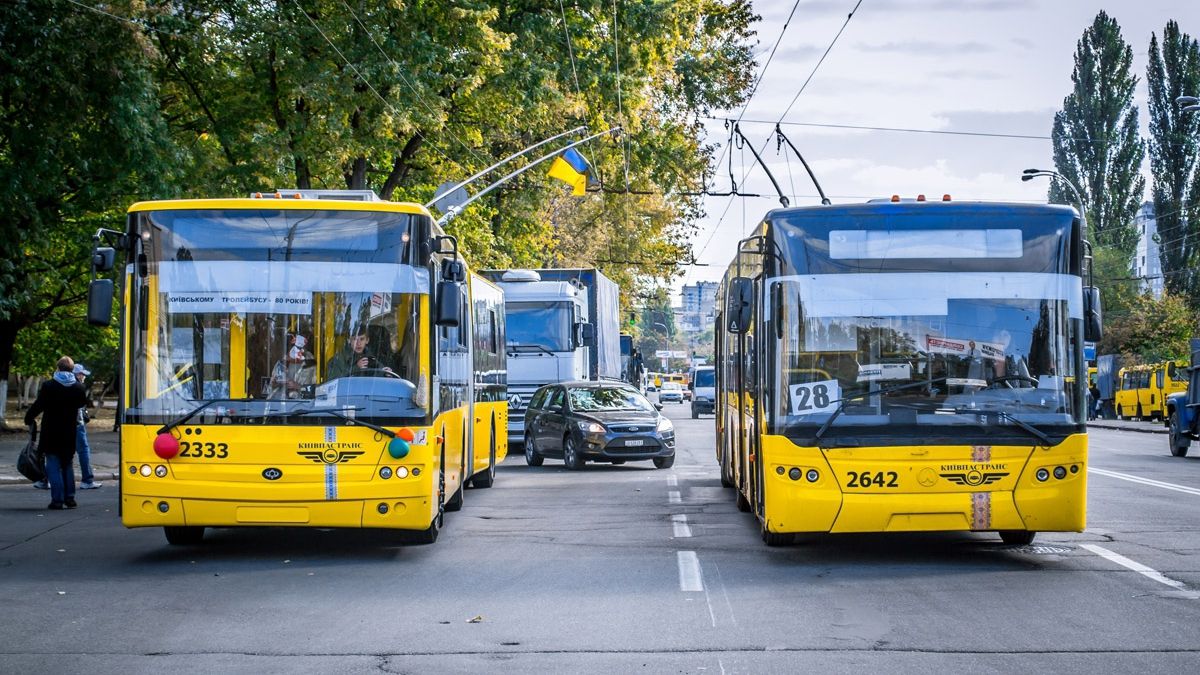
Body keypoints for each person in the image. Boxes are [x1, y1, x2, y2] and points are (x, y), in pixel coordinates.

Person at [24, 357, 88, 510]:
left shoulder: (49, 386)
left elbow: (39, 405)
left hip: (51, 431)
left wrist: (29, 417)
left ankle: (57, 500)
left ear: (58, 368)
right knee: (67, 464)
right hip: (69, 431)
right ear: (72, 370)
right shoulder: (78, 388)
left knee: (53, 465)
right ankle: (70, 499)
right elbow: (81, 403)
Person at [326, 326, 392, 379]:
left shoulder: (371, 357)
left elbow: (375, 379)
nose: (358, 343)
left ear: (367, 340)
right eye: (355, 339)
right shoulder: (338, 360)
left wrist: (385, 373)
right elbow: (333, 381)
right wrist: (356, 368)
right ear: (349, 340)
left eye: (362, 339)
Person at [74, 363, 101, 489]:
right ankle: (87, 480)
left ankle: (48, 479)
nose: (84, 376)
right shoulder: (78, 387)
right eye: (82, 374)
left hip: (61, 425)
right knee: (83, 450)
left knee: (59, 454)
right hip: (77, 425)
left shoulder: (59, 385)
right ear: (78, 375)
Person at [268, 334, 316, 398]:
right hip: (281, 405)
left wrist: (298, 387)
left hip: (304, 406)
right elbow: (269, 389)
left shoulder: (311, 365)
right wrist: (275, 385)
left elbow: (318, 391)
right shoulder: (281, 363)